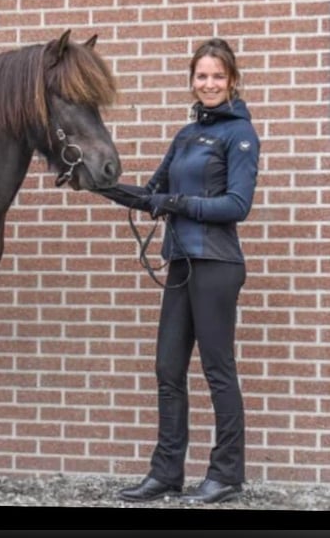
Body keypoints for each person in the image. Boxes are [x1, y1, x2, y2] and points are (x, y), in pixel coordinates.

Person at [96, 37, 260, 504]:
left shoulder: (240, 135)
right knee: (168, 370)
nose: (208, 83)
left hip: (217, 264)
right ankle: (166, 474)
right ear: (192, 80)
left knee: (217, 370)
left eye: (216, 76)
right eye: (201, 75)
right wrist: (99, 186)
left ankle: (226, 474)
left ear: (231, 81)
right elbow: (152, 194)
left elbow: (237, 204)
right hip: (182, 265)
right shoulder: (186, 136)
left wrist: (178, 203)